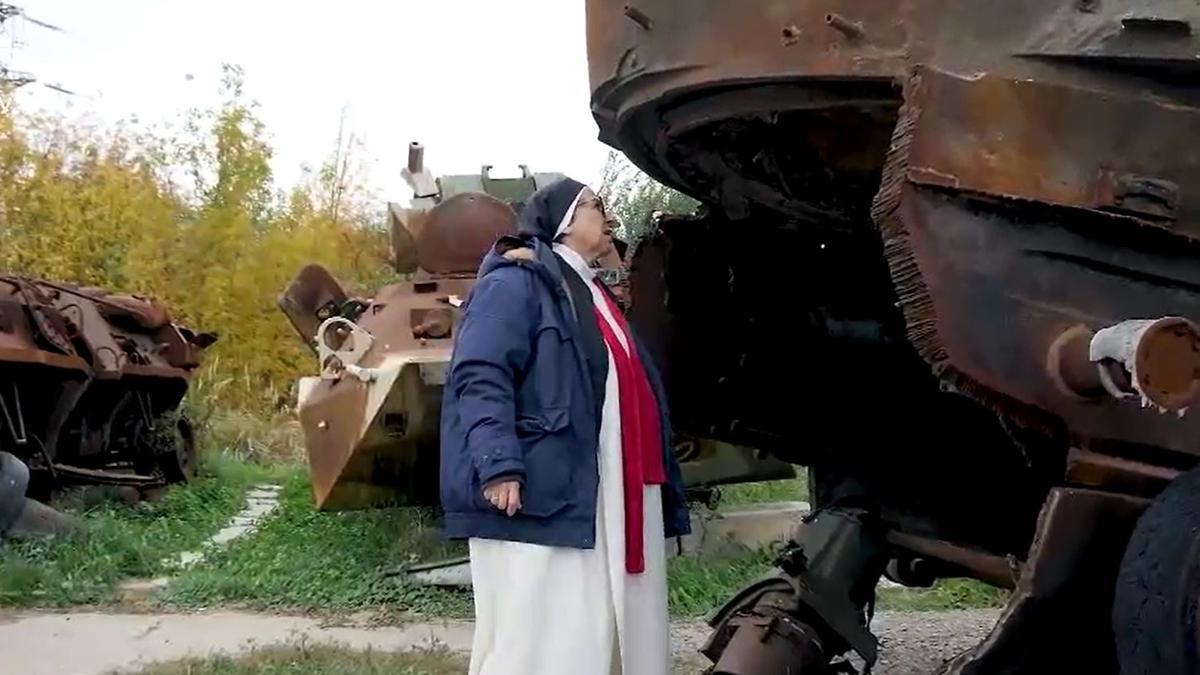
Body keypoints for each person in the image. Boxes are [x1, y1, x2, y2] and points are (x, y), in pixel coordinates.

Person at [439, 177, 691, 675]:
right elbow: (480, 370)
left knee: (597, 632)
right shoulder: (515, 283)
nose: (609, 216)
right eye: (597, 205)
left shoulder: (587, 289)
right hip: (544, 488)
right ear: (566, 220)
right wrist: (498, 463)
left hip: (604, 493)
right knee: (546, 638)